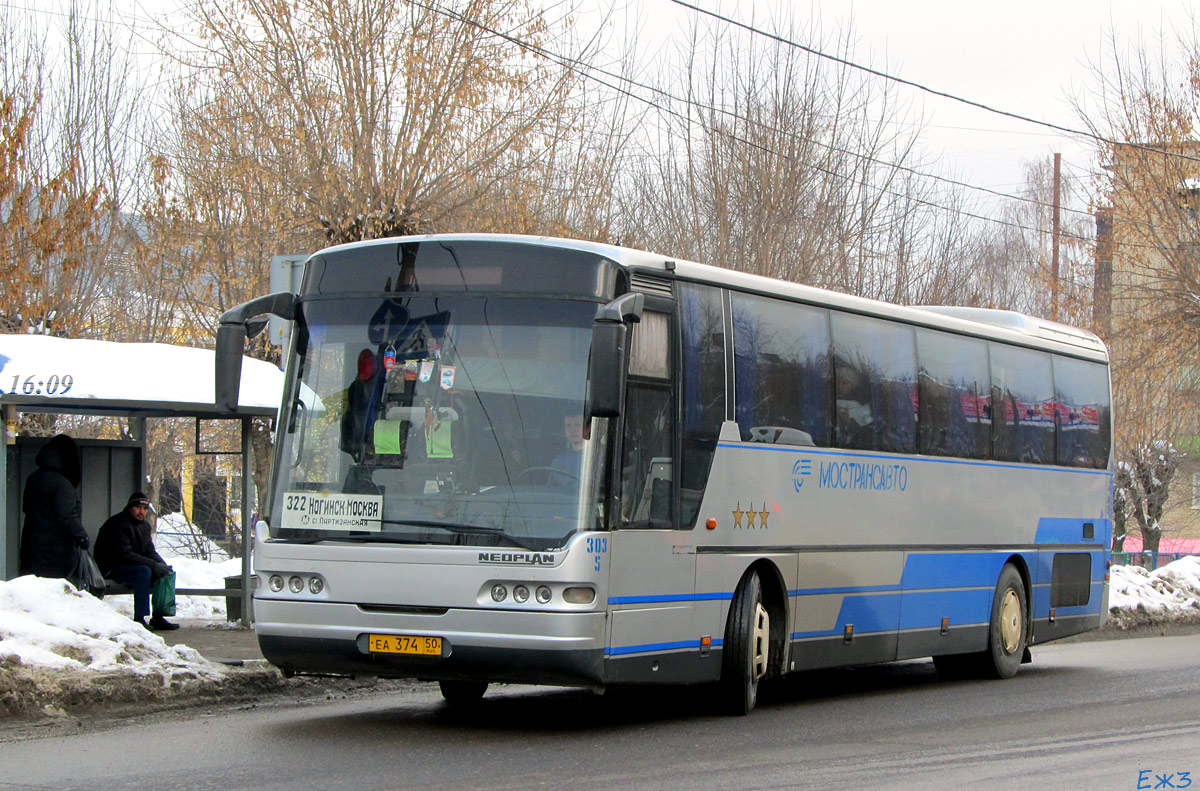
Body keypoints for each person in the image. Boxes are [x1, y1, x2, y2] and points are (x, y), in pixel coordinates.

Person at [94, 492, 179, 631]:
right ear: (130, 508)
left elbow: (149, 551)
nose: (142, 512)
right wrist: (153, 565)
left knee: (163, 573)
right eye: (138, 508)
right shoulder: (118, 524)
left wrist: (162, 565)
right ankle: (140, 618)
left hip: (129, 565)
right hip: (111, 566)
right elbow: (124, 555)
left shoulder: (144, 526)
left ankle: (158, 617)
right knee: (143, 572)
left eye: (145, 509)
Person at [19, 434, 89, 579]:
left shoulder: (33, 478)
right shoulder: (63, 484)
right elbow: (67, 516)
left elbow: (26, 507)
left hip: (31, 546)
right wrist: (82, 536)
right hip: (56, 551)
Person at [549, 412, 585, 486]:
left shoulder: (598, 458)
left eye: (577, 425)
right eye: (568, 426)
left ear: (587, 428)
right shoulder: (558, 461)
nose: (572, 430)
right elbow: (550, 491)